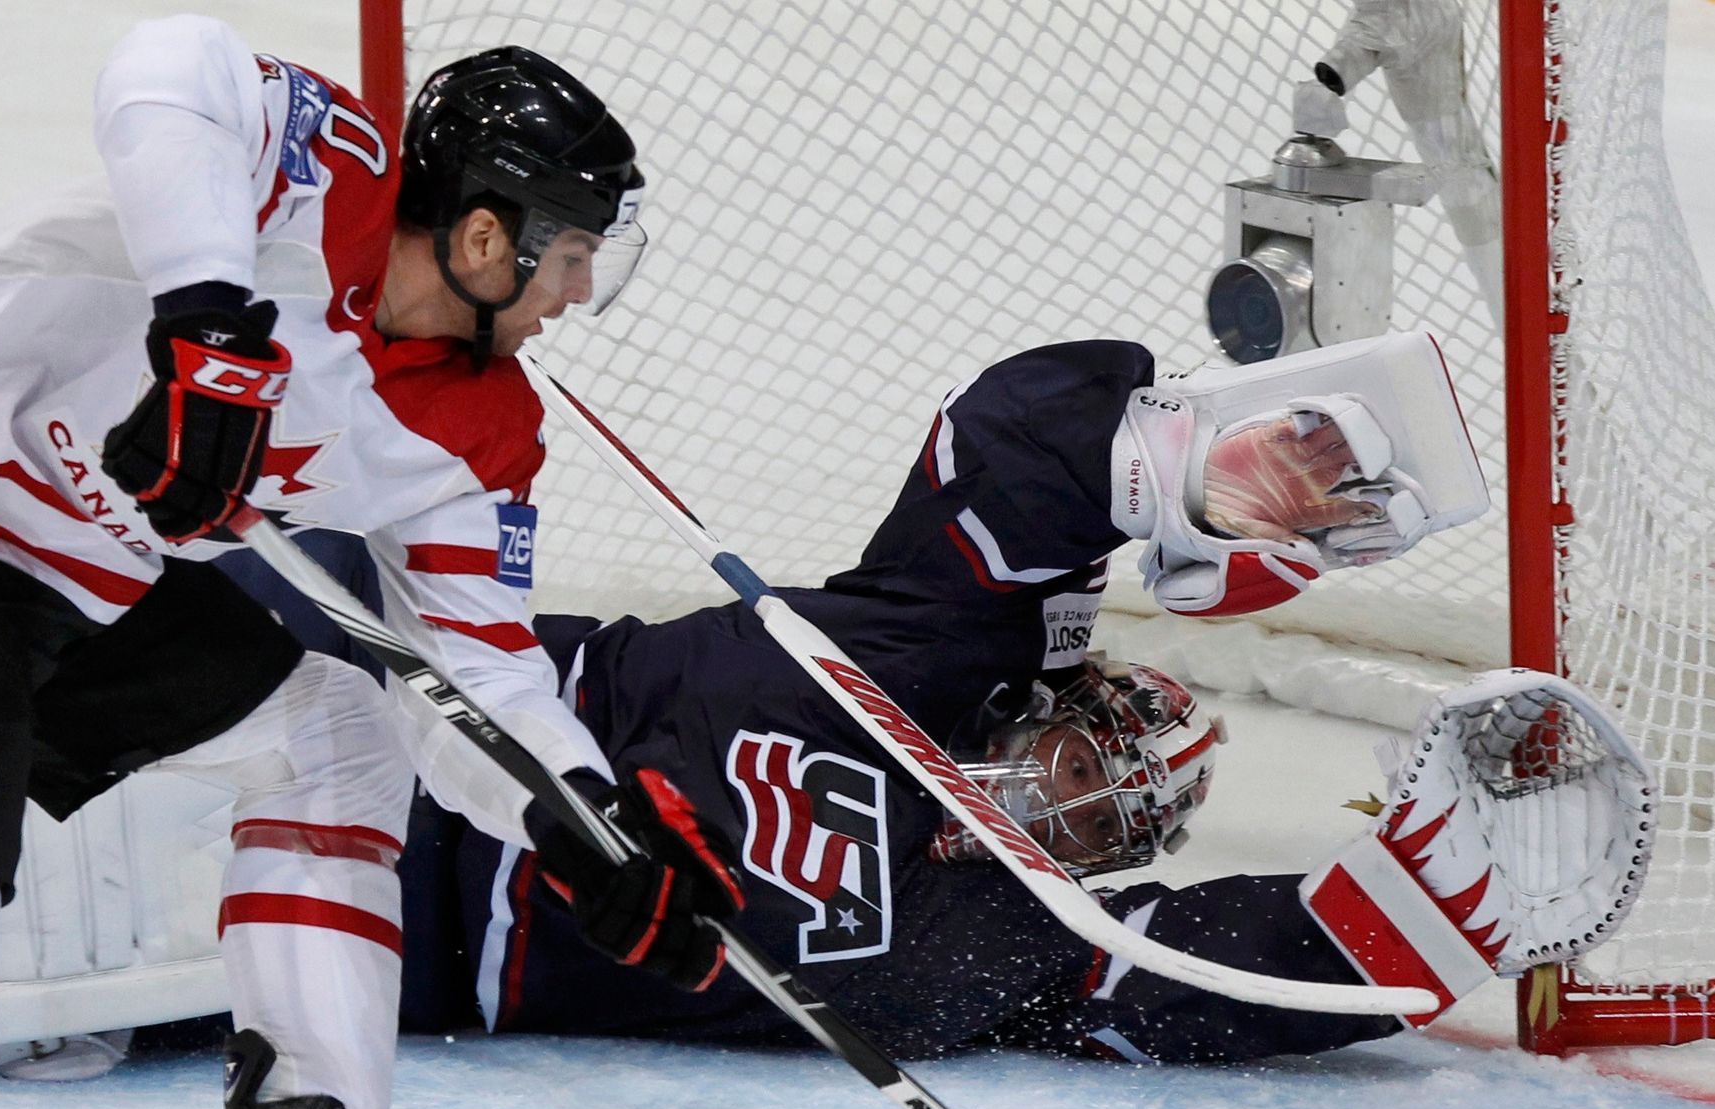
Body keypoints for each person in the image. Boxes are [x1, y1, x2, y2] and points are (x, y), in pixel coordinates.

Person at [0, 16, 739, 1109]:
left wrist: (584, 819)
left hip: (65, 588)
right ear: (480, 237)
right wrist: (208, 327)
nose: (576, 295)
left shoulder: (479, 432)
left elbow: (475, 672)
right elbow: (164, 67)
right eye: (568, 255)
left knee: (340, 729)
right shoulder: (324, 175)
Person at [392, 332, 1645, 1064]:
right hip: (436, 696)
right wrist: (1199, 473)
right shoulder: (921, 649)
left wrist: (1415, 916)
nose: (1071, 806)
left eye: (1104, 822)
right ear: (1044, 699)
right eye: (1084, 759)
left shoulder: (983, 940)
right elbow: (1008, 446)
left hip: (419, 945)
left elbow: (1185, 970)